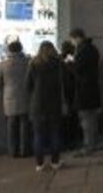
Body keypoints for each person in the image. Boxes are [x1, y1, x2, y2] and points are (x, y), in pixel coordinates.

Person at [26, 41, 65, 171]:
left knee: (38, 135)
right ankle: (55, 162)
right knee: (55, 133)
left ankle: (39, 164)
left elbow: (28, 85)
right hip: (54, 103)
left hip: (37, 104)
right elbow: (63, 83)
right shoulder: (58, 63)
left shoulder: (33, 64)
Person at [0, 41, 30, 158]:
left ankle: (13, 152)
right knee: (25, 124)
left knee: (12, 124)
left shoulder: (3, 64)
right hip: (25, 95)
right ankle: (25, 150)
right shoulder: (28, 62)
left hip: (10, 97)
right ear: (21, 49)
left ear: (8, 50)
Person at [70, 28, 101, 156]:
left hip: (85, 90)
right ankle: (92, 144)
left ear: (77, 37)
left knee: (86, 119)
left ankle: (88, 146)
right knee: (91, 118)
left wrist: (71, 63)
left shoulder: (83, 50)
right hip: (92, 88)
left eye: (72, 39)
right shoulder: (92, 48)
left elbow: (79, 68)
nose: (72, 43)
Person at [60, 40, 81, 150]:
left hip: (64, 92)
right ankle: (72, 140)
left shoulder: (59, 59)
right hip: (72, 92)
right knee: (72, 117)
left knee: (65, 118)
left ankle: (66, 141)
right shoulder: (71, 59)